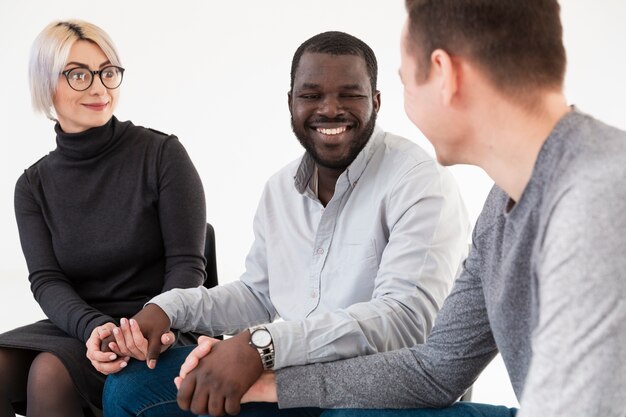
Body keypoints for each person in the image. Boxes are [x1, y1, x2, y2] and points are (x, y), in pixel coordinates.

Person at [206, 1, 626, 416]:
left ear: (445, 75)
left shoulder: (597, 195)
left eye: (406, 81)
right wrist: (273, 385)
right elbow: (438, 368)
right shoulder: (501, 206)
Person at [101, 31, 470, 417]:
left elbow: (404, 322)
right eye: (311, 95)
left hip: (380, 391)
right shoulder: (280, 189)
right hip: (291, 378)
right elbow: (258, 296)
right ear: (290, 103)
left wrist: (263, 345)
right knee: (130, 389)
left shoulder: (419, 182)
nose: (330, 109)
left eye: (350, 94)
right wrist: (168, 309)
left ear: (376, 102)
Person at [0, 20, 207, 417]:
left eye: (107, 72)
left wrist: (147, 325)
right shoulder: (32, 185)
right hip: (79, 326)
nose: (99, 87)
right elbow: (46, 279)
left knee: (49, 371)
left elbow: (187, 264)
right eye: (78, 74)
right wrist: (93, 328)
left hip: (162, 322)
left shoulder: (163, 155)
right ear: (46, 85)